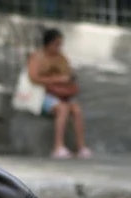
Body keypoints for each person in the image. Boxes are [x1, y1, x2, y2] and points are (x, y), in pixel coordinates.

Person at [26, 28, 92, 159]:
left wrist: (67, 80)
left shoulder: (61, 58)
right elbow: (33, 78)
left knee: (76, 110)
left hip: (59, 94)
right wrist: (56, 79)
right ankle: (58, 146)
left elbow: (68, 74)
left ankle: (81, 146)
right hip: (42, 95)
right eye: (56, 44)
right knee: (63, 109)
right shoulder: (37, 57)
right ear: (48, 44)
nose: (58, 48)